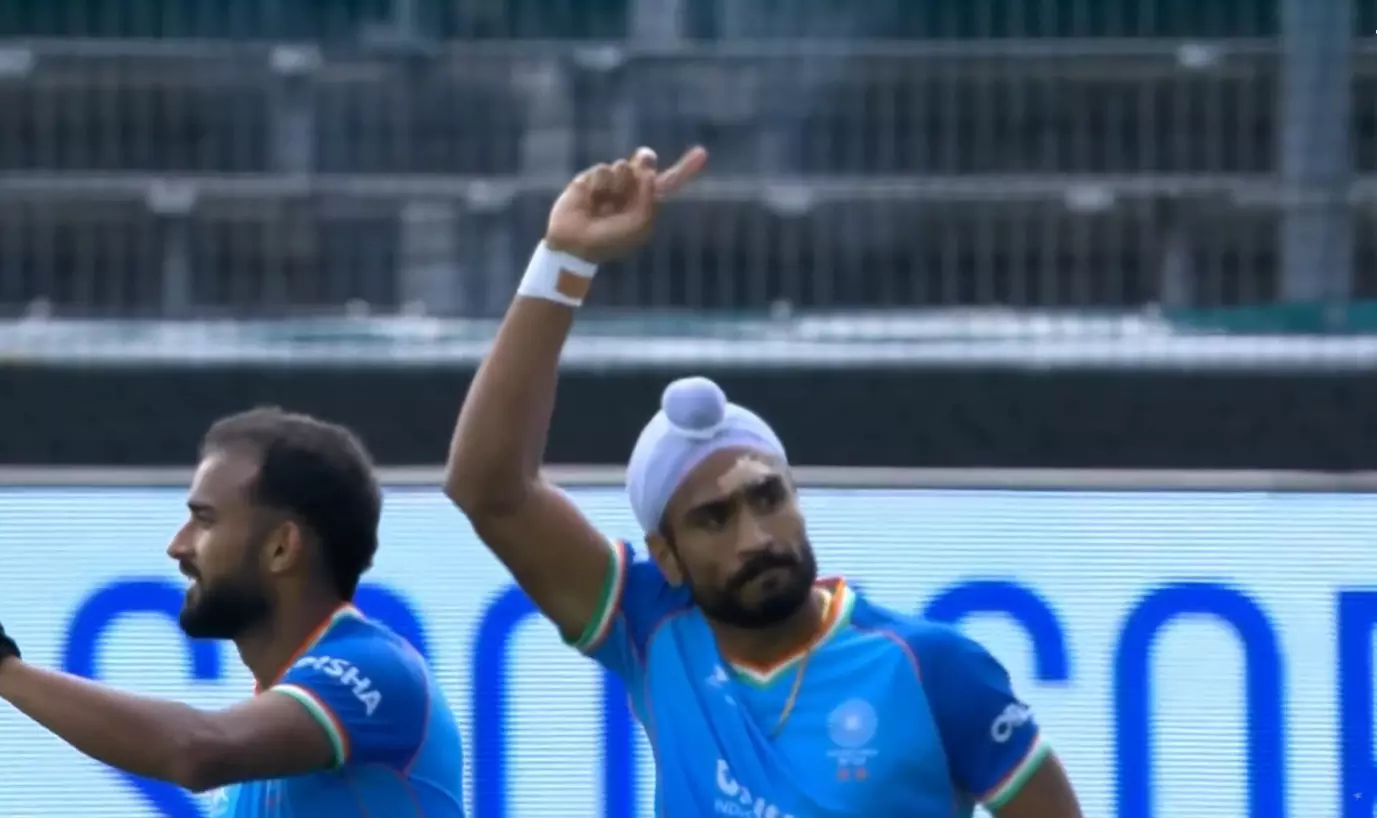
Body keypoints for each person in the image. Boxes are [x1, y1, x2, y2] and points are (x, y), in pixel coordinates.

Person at [445, 145, 1083, 817]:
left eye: (767, 497)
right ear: (666, 556)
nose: (756, 537)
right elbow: (488, 489)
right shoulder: (652, 626)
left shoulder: (933, 667)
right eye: (713, 519)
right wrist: (564, 263)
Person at [0, 407, 465, 817]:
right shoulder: (256, 764)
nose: (177, 545)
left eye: (204, 520)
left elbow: (195, 752)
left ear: (281, 547)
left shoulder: (377, 669)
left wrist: (6, 670)